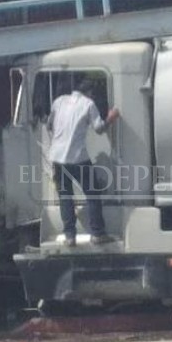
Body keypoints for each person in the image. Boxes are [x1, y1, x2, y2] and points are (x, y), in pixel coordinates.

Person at [47, 78, 120, 247]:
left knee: (65, 197)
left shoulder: (59, 101)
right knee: (93, 194)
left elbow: (49, 125)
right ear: (90, 93)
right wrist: (110, 117)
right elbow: (99, 128)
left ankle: (70, 236)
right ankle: (98, 234)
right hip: (78, 158)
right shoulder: (88, 104)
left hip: (57, 157)